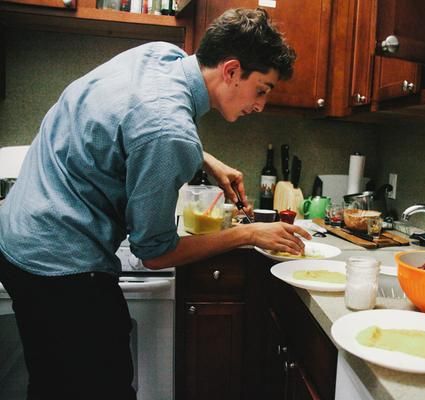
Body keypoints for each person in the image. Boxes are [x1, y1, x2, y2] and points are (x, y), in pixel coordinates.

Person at [0, 8, 310, 400]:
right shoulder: (169, 133)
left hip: (16, 239)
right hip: (61, 267)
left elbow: (138, 117)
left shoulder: (161, 55)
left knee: (51, 382)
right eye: (262, 90)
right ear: (231, 70)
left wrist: (205, 157)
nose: (261, 105)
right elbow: (155, 254)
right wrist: (246, 232)